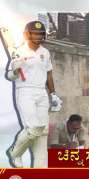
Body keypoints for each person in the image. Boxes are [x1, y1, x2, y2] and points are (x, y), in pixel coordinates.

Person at [5, 21, 62, 168]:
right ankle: (15, 152)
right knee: (33, 128)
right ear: (28, 34)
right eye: (35, 33)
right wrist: (16, 70)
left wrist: (53, 94)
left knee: (42, 133)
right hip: (25, 91)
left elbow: (49, 74)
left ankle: (40, 176)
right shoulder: (19, 52)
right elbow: (10, 76)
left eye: (40, 34)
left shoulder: (45, 52)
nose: (38, 36)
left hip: (41, 92)